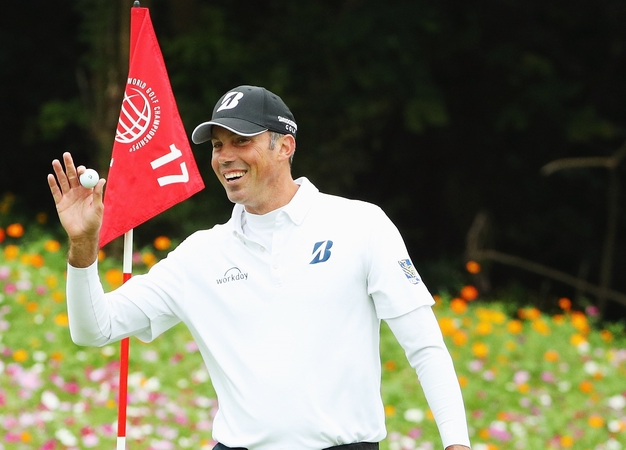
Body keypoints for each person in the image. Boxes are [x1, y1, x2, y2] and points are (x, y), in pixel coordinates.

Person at [47, 85, 472, 450]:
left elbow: (425, 347)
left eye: (240, 140)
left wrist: (456, 441)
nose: (225, 156)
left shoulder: (361, 225)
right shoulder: (200, 254)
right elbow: (93, 330)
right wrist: (83, 246)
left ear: (285, 145)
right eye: (217, 145)